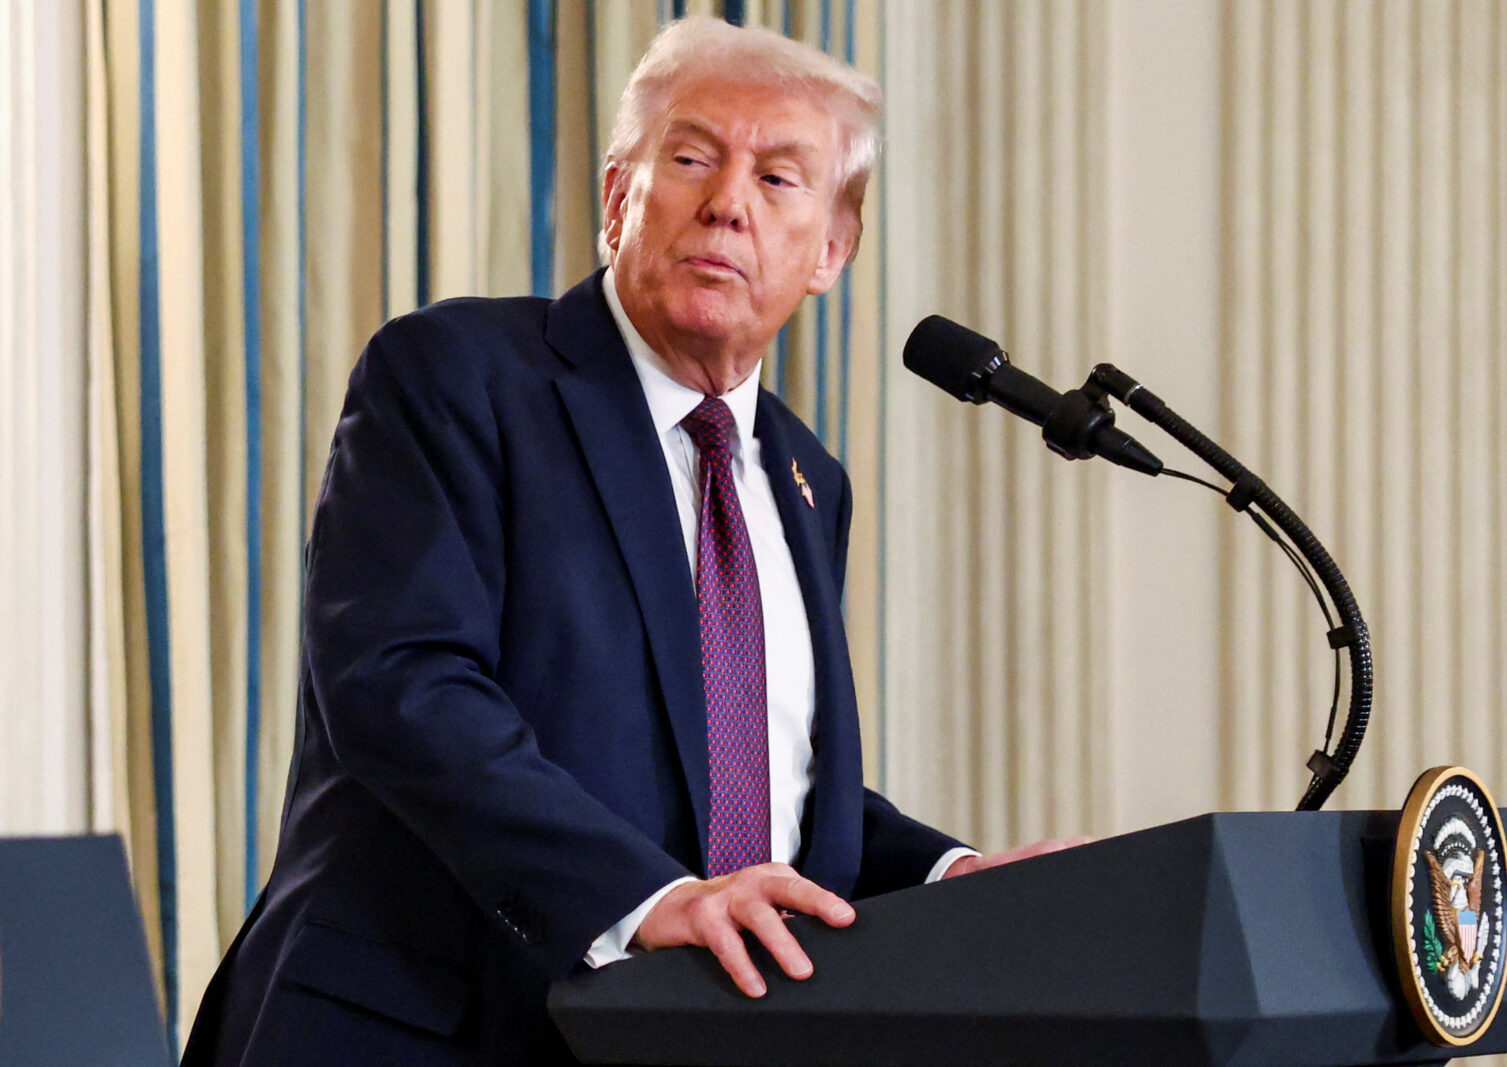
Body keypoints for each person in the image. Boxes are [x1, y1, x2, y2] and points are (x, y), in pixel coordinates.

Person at [182, 16, 1082, 1065]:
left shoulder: (806, 479)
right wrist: (649, 897)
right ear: (619, 197)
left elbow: (758, 776)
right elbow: (402, 683)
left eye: (780, 179)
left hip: (666, 1040)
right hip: (427, 1030)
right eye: (692, 157)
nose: (727, 202)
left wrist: (943, 877)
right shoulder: (458, 375)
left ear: (831, 250)